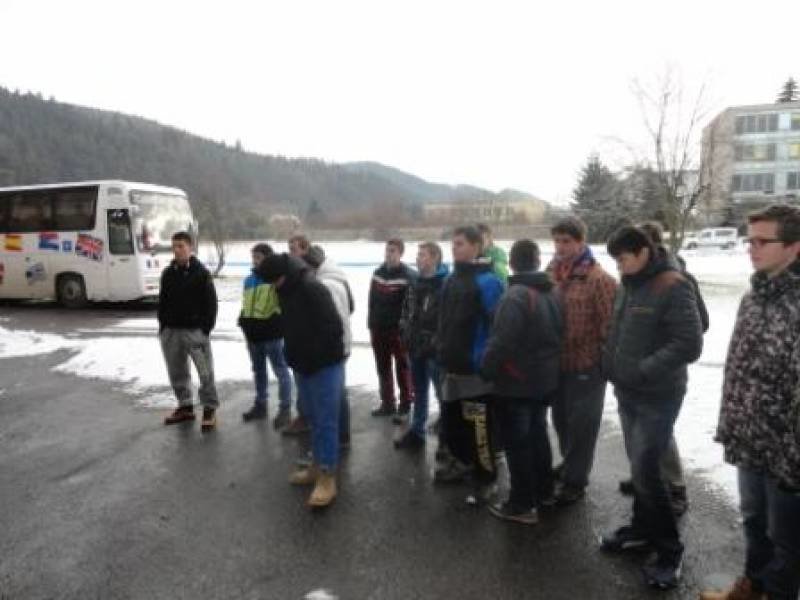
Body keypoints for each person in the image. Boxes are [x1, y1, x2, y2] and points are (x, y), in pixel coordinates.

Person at [700, 205, 800, 600]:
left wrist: (793, 456)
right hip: (750, 438)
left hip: (788, 451)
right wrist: (732, 426)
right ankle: (752, 586)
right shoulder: (753, 297)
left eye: (762, 241)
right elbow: (737, 369)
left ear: (793, 246)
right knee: (754, 520)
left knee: (787, 540)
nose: (751, 248)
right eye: (750, 240)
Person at [599, 226, 703, 590]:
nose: (619, 266)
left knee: (646, 470)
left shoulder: (673, 285)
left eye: (623, 258)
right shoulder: (630, 283)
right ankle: (642, 530)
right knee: (639, 467)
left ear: (644, 251)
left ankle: (670, 552)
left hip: (658, 394)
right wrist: (609, 363)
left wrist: (644, 369)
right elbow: (619, 331)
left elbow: (689, 343)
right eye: (615, 260)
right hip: (627, 391)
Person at [616, 221, 710, 516]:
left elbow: (698, 327)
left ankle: (675, 487)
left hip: (660, 377)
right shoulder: (632, 280)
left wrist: (653, 357)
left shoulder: (677, 280)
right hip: (634, 380)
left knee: (661, 437)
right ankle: (646, 483)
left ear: (650, 248)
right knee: (643, 446)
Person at [480, 240, 562, 525]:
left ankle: (522, 503)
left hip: (516, 383)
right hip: (544, 380)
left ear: (512, 263)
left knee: (518, 444)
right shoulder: (552, 292)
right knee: (538, 436)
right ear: (537, 261)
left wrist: (486, 369)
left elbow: (501, 342)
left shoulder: (515, 296)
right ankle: (544, 492)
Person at [256, 252, 345, 508]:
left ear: (283, 276)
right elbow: (290, 326)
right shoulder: (285, 290)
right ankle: (316, 466)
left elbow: (334, 329)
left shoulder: (313, 288)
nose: (272, 287)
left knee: (326, 422)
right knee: (314, 420)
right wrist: (292, 354)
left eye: (273, 282)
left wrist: (313, 357)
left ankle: (328, 477)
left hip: (324, 366)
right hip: (302, 366)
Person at [547, 217, 617, 505]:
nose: (560, 247)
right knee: (561, 421)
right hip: (556, 364)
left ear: (581, 242)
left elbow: (610, 327)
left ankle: (575, 481)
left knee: (582, 427)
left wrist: (602, 363)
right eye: (557, 241)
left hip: (587, 366)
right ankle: (570, 463)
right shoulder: (551, 273)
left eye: (567, 241)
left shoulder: (599, 279)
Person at [435, 225, 504, 502]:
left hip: (476, 372)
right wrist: (439, 347)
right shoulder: (450, 280)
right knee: (453, 426)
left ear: (476, 247)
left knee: (479, 430)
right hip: (451, 367)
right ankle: (464, 465)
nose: (455, 249)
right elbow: (443, 321)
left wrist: (486, 361)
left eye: (460, 244)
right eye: (453, 244)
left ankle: (487, 479)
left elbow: (499, 328)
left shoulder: (489, 282)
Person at [158, 231, 220, 431]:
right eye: (174, 246)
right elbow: (162, 301)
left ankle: (209, 408)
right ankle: (185, 407)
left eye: (181, 246)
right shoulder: (168, 273)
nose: (177, 250)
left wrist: (205, 329)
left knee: (205, 372)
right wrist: (163, 326)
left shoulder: (201, 273)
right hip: (171, 332)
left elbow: (211, 304)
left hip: (195, 333)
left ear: (190, 248)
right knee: (177, 371)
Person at [395, 242, 449, 450]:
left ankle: (446, 439)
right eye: (418, 255)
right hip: (415, 347)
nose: (418, 258)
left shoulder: (445, 284)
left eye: (423, 255)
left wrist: (436, 342)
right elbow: (406, 311)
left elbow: (447, 320)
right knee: (419, 390)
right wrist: (405, 333)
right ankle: (417, 432)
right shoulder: (414, 282)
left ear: (435, 258)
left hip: (435, 351)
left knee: (442, 394)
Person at [302, 245, 354, 449]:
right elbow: (351, 307)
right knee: (339, 392)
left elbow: (330, 319)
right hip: (342, 343)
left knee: (332, 397)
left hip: (334, 346)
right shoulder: (339, 278)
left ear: (312, 267)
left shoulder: (325, 285)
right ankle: (342, 436)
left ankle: (337, 441)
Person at [237, 243, 293, 428]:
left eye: (258, 257)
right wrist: (244, 323)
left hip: (272, 335)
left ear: (268, 259)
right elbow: (246, 306)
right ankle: (261, 404)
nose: (255, 261)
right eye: (253, 257)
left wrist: (277, 325)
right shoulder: (249, 280)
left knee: (281, 371)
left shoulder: (274, 280)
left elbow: (283, 307)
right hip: (253, 335)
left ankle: (285, 409)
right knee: (258, 370)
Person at [368, 238, 417, 418]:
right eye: (387, 250)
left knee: (402, 366)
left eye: (393, 251)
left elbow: (412, 306)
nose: (388, 254)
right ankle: (387, 403)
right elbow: (372, 301)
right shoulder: (378, 273)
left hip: (398, 331)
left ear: (400, 253)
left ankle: (406, 402)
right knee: (382, 367)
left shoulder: (408, 276)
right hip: (378, 328)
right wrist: (371, 323)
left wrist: (407, 329)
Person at [281, 233, 314, 435]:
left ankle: (307, 417)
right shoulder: (290, 273)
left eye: (294, 249)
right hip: (293, 333)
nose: (291, 253)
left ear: (304, 249)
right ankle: (304, 415)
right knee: (300, 377)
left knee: (307, 378)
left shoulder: (310, 273)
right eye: (289, 249)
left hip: (308, 336)